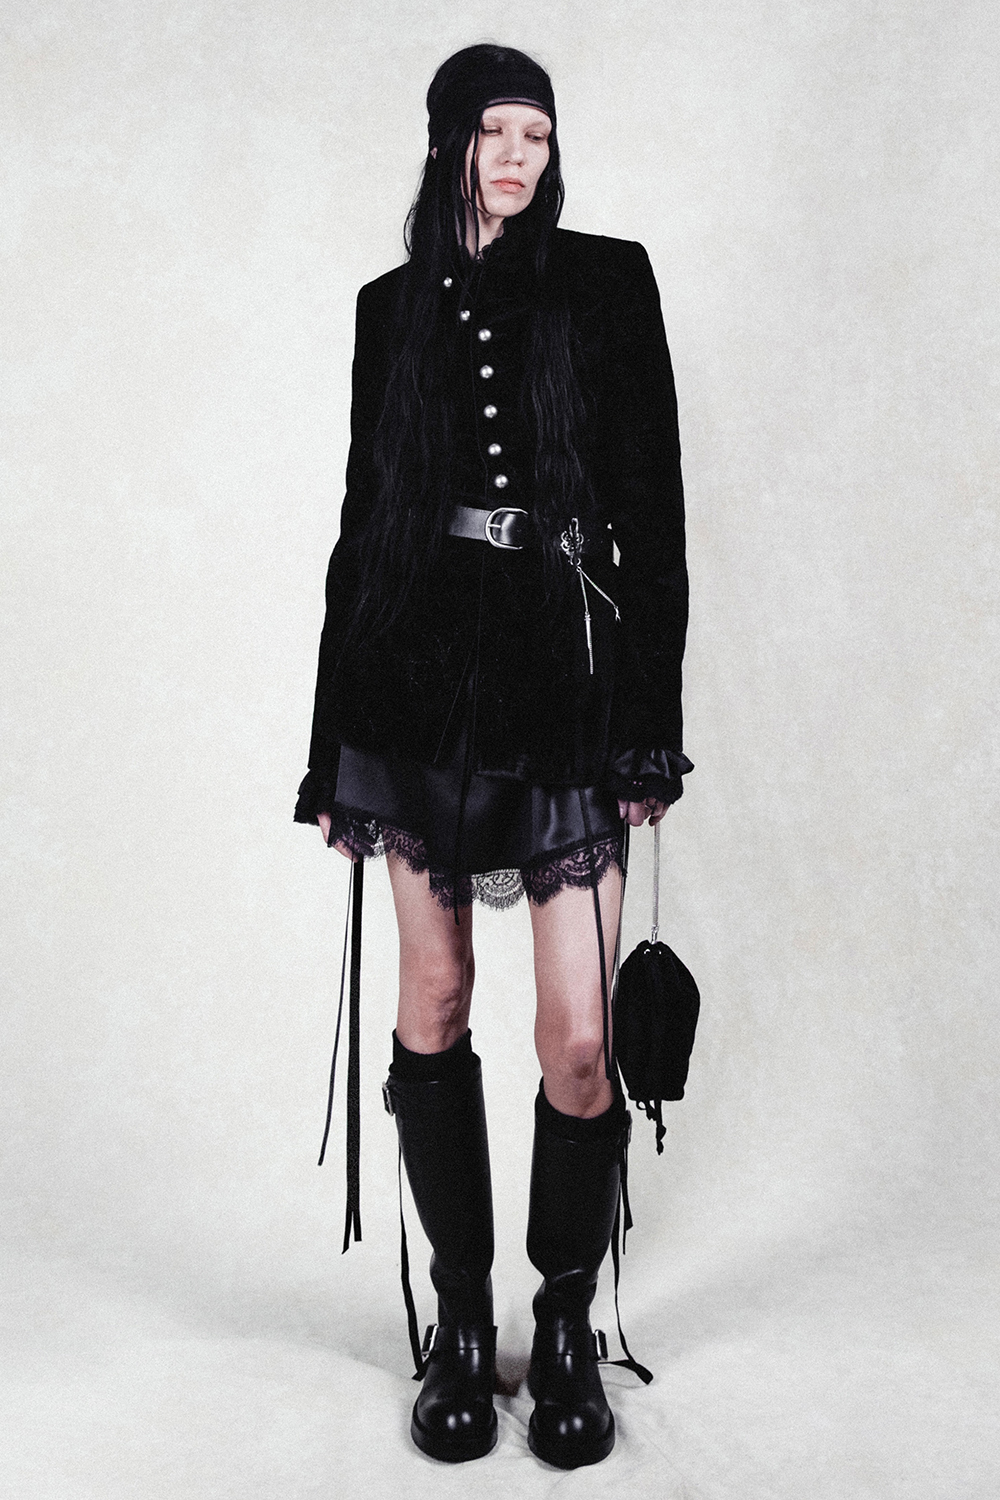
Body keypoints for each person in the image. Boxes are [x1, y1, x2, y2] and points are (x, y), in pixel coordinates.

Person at [295, 43, 692, 1468]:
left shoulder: (607, 281)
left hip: (566, 677)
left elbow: (655, 512)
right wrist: (328, 744)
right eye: (495, 132)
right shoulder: (389, 307)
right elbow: (367, 524)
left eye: (538, 134)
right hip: (415, 684)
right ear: (448, 141)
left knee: (581, 1034)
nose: (519, 158)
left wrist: (651, 720)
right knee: (438, 992)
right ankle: (464, 1325)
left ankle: (564, 1319)